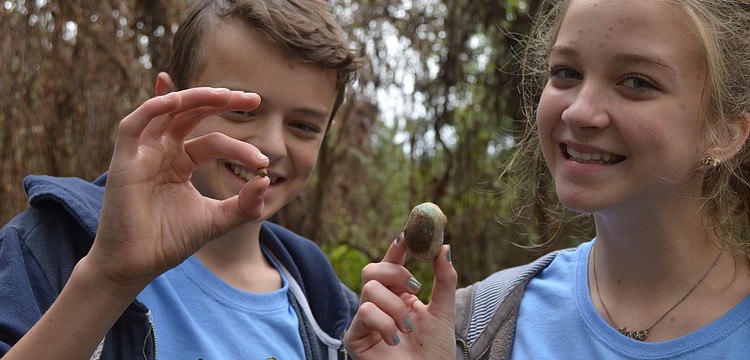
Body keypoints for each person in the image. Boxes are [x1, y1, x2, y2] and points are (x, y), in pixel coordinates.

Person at [344, 0, 750, 359]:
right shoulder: (477, 323)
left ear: (726, 132)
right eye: (566, 72)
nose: (578, 112)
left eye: (637, 81)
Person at [0, 0, 363, 358]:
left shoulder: (331, 314)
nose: (272, 146)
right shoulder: (50, 247)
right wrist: (107, 279)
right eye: (240, 110)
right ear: (169, 102)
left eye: (303, 126)